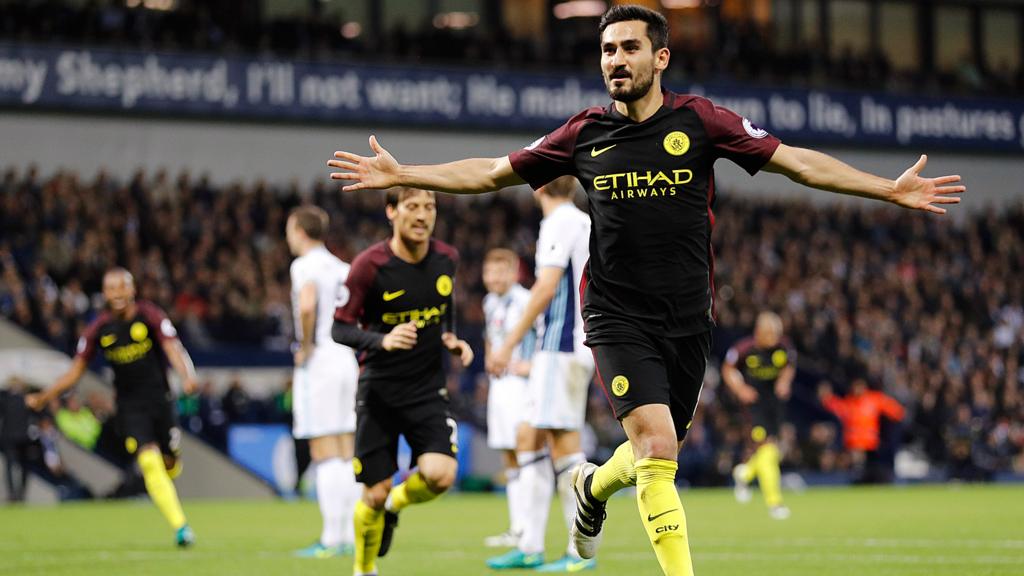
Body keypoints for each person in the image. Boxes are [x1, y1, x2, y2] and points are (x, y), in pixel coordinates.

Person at [325, 5, 964, 573]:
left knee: (655, 453)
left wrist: (887, 188)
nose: (616, 60)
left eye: (629, 48)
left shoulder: (702, 121)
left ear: (661, 57)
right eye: (607, 49)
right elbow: (492, 171)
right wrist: (407, 171)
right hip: (614, 317)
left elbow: (796, 161)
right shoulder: (583, 134)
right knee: (657, 450)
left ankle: (592, 488)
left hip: (688, 321)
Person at [331, 187, 474, 576]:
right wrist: (382, 340)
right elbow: (338, 329)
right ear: (392, 211)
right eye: (412, 206)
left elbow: (444, 307)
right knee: (373, 494)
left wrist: (451, 338)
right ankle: (364, 568)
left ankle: (398, 503)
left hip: (427, 389)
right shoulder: (369, 266)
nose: (423, 215)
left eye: (429, 207)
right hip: (378, 389)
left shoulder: (447, 258)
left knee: (440, 474)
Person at [26, 268, 198, 546]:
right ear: (104, 293)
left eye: (122, 287)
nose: (117, 293)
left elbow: (173, 348)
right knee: (149, 462)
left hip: (161, 402)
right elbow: (74, 372)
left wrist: (187, 376)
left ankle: (170, 469)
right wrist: (44, 396)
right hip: (130, 408)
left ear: (133, 290)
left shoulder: (150, 315)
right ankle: (181, 527)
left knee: (169, 463)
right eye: (111, 288)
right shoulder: (98, 329)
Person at [485, 176, 596, 572]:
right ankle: (530, 544)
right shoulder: (584, 221)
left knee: (566, 450)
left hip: (559, 347)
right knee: (527, 438)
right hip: (572, 346)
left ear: (539, 187)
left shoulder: (560, 222)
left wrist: (508, 343)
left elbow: (546, 287)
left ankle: (580, 551)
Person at [286, 205, 363, 558]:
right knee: (347, 448)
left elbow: (306, 305)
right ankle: (350, 533)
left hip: (321, 360)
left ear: (300, 231)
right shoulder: (343, 267)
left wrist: (306, 345)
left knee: (323, 448)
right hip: (346, 356)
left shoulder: (304, 266)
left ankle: (331, 538)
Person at [480, 248, 535, 550]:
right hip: (500, 386)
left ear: (514, 273)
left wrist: (532, 365)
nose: (494, 278)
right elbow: (491, 337)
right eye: (490, 272)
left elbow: (542, 335)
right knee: (509, 458)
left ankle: (529, 528)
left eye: (501, 271)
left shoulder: (525, 300)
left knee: (525, 454)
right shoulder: (490, 302)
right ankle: (517, 527)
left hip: (522, 384)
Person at [721, 311, 796, 519]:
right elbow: (728, 369)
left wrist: (784, 381)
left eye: (776, 334)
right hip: (754, 406)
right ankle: (775, 503)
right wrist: (740, 389)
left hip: (775, 405)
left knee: (771, 450)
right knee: (769, 450)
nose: (773, 339)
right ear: (758, 332)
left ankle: (745, 472)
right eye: (770, 334)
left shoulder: (784, 347)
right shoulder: (744, 349)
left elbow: (789, 366)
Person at [819, 377, 906, 483]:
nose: (857, 389)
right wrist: (827, 398)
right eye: (855, 386)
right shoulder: (849, 403)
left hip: (871, 445)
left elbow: (896, 411)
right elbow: (836, 406)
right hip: (853, 446)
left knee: (874, 471)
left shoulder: (874, 399)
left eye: (859, 386)